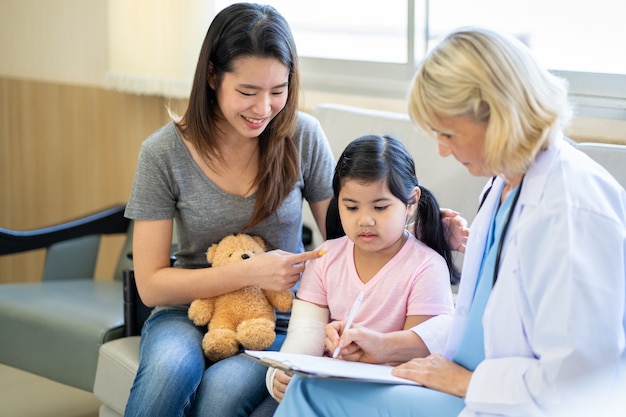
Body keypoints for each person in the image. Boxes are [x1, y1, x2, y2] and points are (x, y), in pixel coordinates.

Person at [274, 27, 626, 417]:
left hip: (508, 400)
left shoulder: (573, 209)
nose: (442, 150)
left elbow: (579, 380)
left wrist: (465, 382)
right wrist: (389, 345)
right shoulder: (504, 186)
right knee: (310, 389)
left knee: (309, 396)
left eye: (448, 133)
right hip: (473, 384)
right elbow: (488, 310)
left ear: (497, 113)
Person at [123, 3, 336, 417]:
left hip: (275, 315)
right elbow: (150, 285)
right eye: (247, 92)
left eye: (278, 91)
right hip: (186, 312)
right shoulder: (162, 153)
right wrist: (247, 272)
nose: (263, 109)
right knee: (168, 371)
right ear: (212, 77)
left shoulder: (302, 136)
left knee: (220, 396)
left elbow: (345, 239)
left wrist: (428, 231)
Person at [265, 135, 457, 406]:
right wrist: (283, 370)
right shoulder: (324, 258)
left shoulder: (426, 267)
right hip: (329, 381)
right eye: (352, 207)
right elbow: (305, 334)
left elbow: (417, 358)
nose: (365, 220)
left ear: (411, 202)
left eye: (380, 207)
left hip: (391, 390)